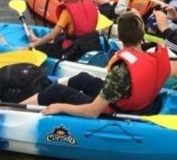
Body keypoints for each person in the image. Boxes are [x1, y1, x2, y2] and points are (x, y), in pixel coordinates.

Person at [22, 12, 169, 117]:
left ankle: (16, 106)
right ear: (142, 34)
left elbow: (92, 112)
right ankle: (44, 89)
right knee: (83, 78)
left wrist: (60, 107)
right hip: (133, 100)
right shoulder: (155, 57)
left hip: (115, 111)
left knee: (57, 91)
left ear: (120, 37)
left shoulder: (121, 70)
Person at [28, 0, 100, 59]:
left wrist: (32, 46)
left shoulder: (66, 13)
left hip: (73, 50)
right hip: (91, 43)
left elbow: (51, 36)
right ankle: (37, 39)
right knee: (61, 36)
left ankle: (35, 42)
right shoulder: (91, 4)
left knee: (38, 48)